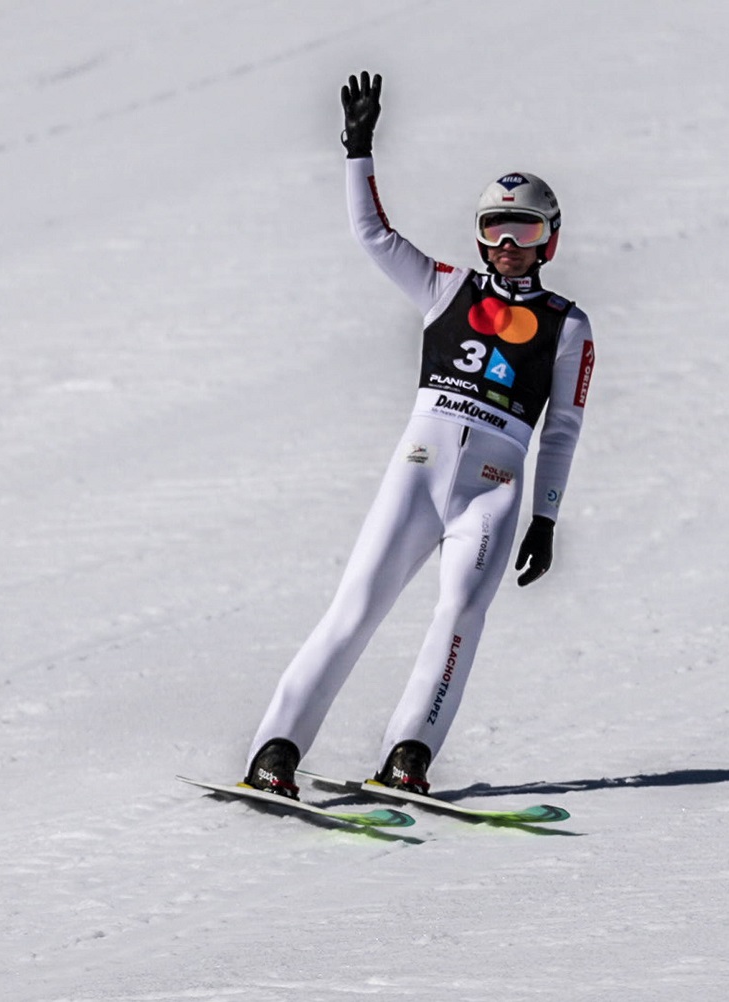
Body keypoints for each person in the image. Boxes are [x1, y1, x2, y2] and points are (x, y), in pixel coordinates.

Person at [242, 71, 595, 799]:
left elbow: (562, 428)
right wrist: (359, 150)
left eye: (525, 230)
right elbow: (374, 235)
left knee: (460, 616)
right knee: (356, 607)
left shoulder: (569, 325)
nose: (508, 244)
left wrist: (546, 517)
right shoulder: (444, 287)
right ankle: (275, 750)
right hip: (418, 473)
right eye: (495, 228)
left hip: (492, 492)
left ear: (549, 241)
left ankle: (410, 754)